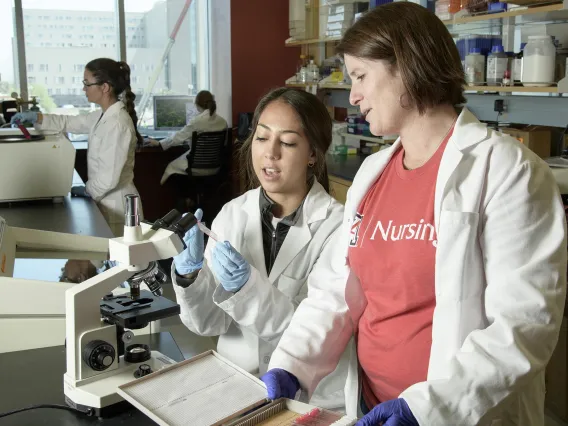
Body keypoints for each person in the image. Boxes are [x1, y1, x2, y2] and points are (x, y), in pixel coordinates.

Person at [261, 4, 567, 426]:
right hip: (371, 407)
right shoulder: (373, 173)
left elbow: (523, 324)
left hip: (455, 414)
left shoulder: (507, 170)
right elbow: (338, 289)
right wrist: (293, 363)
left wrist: (424, 410)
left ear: (405, 64)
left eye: (361, 76)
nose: (353, 95)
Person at [171, 87, 349, 411]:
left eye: (289, 142)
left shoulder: (338, 228)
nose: (271, 153)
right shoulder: (232, 214)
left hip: (309, 398)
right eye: (262, 137)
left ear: (313, 154)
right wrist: (191, 277)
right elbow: (208, 324)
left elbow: (313, 334)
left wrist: (246, 289)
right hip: (237, 387)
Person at [11, 58, 143, 237]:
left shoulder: (117, 123)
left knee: (119, 262)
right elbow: (71, 122)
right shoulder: (102, 115)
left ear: (104, 87)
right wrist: (38, 118)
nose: (84, 89)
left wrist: (87, 190)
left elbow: (109, 178)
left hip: (117, 206)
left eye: (87, 83)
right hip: (106, 201)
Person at [145, 90, 227, 185]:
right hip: (215, 168)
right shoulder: (223, 122)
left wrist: (159, 143)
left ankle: (170, 195)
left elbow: (177, 138)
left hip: (196, 168)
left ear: (196, 105)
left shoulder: (196, 122)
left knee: (170, 167)